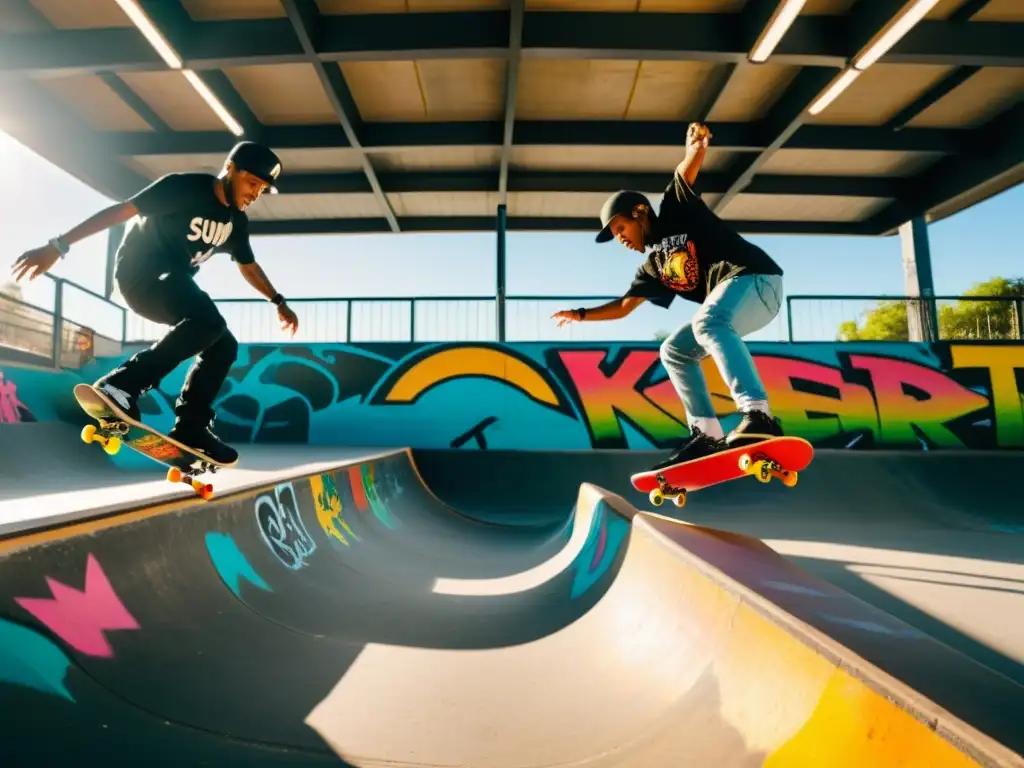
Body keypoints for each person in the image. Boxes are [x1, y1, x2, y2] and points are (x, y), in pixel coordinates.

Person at [9, 141, 299, 466]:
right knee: (210, 323)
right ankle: (119, 386)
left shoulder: (236, 223)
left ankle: (191, 427)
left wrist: (277, 301)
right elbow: (123, 210)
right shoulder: (185, 187)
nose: (255, 194)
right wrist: (59, 245)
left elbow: (248, 265)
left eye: (261, 188)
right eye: (251, 183)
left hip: (173, 283)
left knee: (223, 345)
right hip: (141, 273)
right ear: (230, 169)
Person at [552, 122, 784, 471]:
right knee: (674, 350)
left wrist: (696, 148)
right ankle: (706, 434)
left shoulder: (675, 209)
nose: (620, 239)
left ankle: (758, 414)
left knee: (708, 320)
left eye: (621, 229)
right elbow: (624, 307)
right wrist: (580, 314)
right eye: (615, 235)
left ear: (639, 212)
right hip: (735, 306)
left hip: (757, 280)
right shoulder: (652, 268)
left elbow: (685, 172)